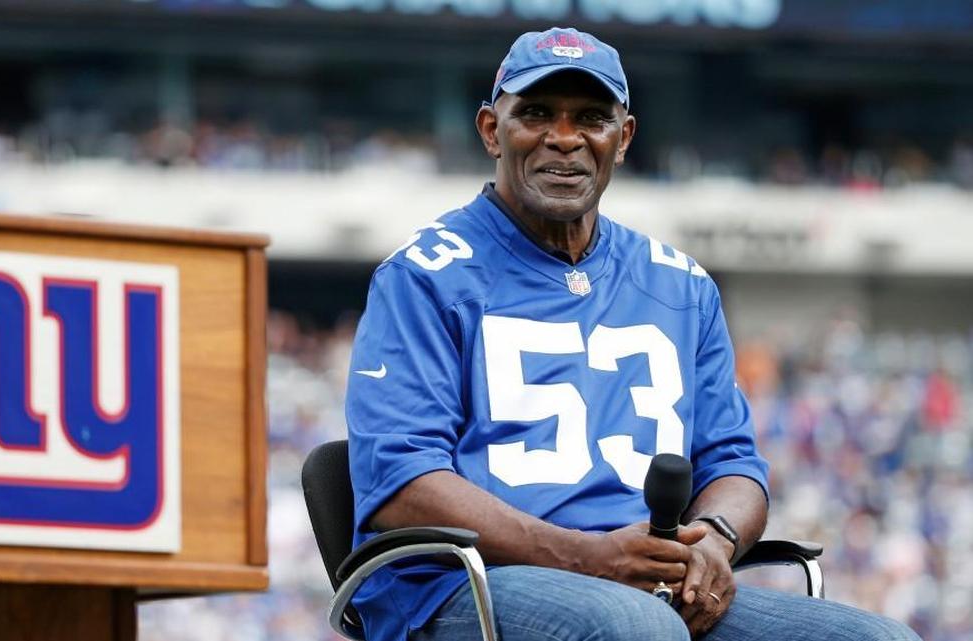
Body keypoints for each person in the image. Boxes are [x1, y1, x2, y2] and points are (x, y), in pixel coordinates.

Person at [344, 27, 921, 641]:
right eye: (536, 114)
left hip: (643, 586)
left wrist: (715, 542)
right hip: (464, 582)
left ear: (623, 139)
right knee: (637, 628)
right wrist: (587, 557)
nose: (565, 138)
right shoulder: (424, 276)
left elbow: (732, 465)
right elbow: (400, 481)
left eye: (592, 118)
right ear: (492, 130)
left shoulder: (681, 286)